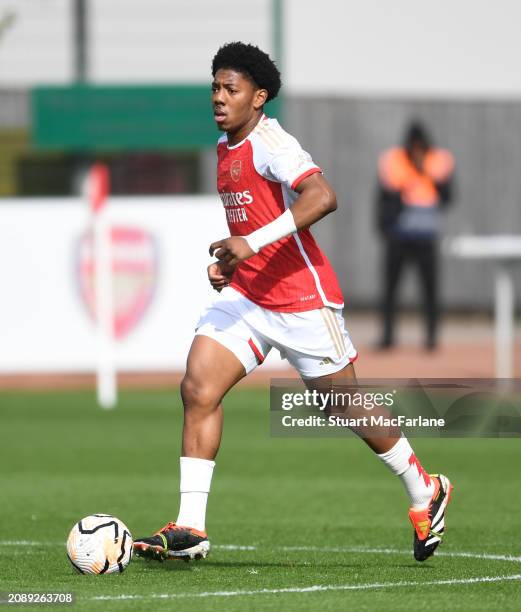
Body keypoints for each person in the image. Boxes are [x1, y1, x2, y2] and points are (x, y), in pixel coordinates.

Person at [133, 43, 452, 564]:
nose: (218, 97)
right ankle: (191, 526)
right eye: (214, 87)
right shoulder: (225, 143)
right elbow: (254, 220)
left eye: (230, 89)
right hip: (250, 297)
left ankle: (425, 489)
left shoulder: (271, 141)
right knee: (198, 386)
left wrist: (251, 246)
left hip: (302, 299)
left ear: (258, 97)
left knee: (342, 404)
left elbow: (323, 196)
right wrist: (234, 262)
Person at [376, 121, 455, 350]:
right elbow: (384, 196)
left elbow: (448, 196)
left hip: (425, 236)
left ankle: (431, 337)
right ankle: (388, 336)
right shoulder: (394, 160)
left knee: (430, 289)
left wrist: (427, 172)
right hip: (399, 235)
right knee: (390, 288)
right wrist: (384, 227)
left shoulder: (438, 162)